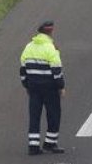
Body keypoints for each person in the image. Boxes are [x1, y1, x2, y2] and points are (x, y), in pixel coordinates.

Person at [20, 20, 64, 155]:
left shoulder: (28, 47)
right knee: (53, 114)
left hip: (33, 88)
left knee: (34, 115)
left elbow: (23, 69)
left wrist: (26, 85)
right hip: (49, 88)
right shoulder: (51, 48)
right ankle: (50, 143)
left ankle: (33, 146)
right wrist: (61, 86)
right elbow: (57, 70)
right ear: (50, 31)